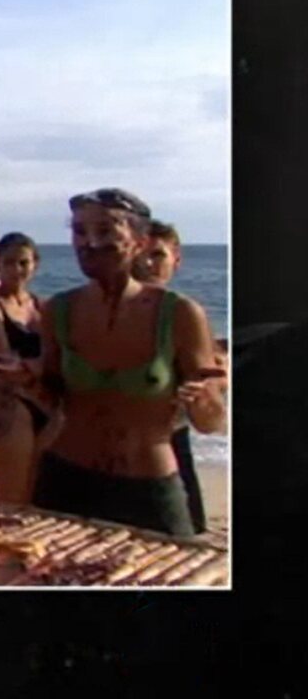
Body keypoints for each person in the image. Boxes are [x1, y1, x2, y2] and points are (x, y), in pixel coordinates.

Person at [0, 190, 225, 537]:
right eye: (79, 231)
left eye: (105, 231)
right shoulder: (59, 310)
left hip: (148, 488)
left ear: (139, 242)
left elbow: (212, 422)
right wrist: (25, 381)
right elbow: (55, 398)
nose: (89, 242)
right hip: (66, 479)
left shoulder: (177, 314)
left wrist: (204, 402)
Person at [133, 220, 207, 533]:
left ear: (176, 260)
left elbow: (209, 408)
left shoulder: (186, 316)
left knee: (185, 534)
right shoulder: (103, 312)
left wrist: (206, 390)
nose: (148, 263)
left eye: (158, 255)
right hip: (111, 445)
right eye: (142, 255)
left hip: (171, 438)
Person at [0, 233, 58, 503]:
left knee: (40, 492)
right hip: (14, 402)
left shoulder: (41, 306)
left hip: (48, 402)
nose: (17, 270)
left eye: (23, 262)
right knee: (10, 496)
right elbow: (5, 362)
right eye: (9, 263)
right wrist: (37, 371)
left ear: (35, 264)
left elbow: (57, 354)